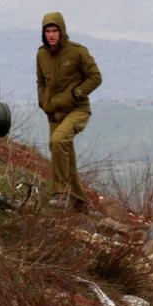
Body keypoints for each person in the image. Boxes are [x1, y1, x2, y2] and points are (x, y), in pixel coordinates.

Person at [36, 11, 102, 210]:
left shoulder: (77, 52)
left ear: (62, 30)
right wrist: (43, 102)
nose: (51, 35)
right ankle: (80, 203)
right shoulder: (41, 54)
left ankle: (61, 193)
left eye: (55, 30)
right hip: (54, 112)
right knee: (64, 154)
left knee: (58, 141)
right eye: (48, 31)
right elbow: (41, 82)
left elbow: (96, 77)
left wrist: (78, 93)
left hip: (77, 109)